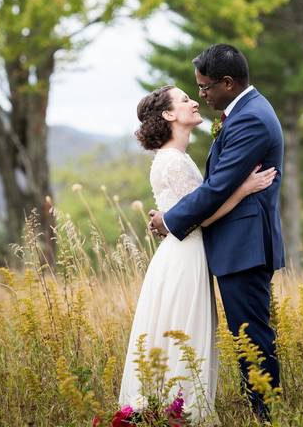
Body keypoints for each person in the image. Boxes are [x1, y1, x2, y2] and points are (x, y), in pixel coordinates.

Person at [118, 84, 277, 421]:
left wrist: (169, 218)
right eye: (185, 99)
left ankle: (168, 409)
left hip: (184, 254)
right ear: (168, 115)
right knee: (184, 333)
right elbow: (202, 215)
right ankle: (181, 411)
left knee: (179, 332)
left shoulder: (176, 157)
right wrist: (244, 188)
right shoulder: (174, 161)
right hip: (185, 257)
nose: (194, 102)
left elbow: (193, 208)